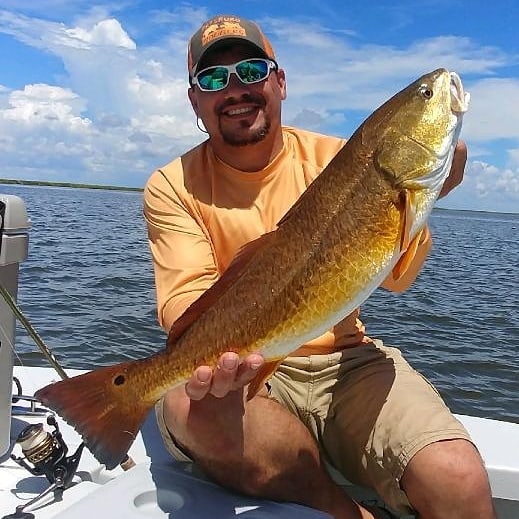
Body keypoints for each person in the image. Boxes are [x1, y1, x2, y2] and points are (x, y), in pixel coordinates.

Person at [143, 14, 495, 519]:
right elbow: (183, 303)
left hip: (347, 361)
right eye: (214, 78)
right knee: (186, 405)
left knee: (458, 478)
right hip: (245, 372)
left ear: (280, 81)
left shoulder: (341, 160)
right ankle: (344, 510)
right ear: (196, 100)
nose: (236, 88)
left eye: (252, 69)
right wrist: (225, 355)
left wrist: (423, 198)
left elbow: (395, 277)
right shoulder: (172, 185)